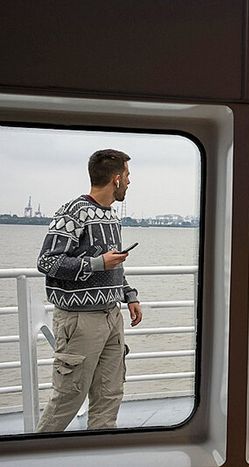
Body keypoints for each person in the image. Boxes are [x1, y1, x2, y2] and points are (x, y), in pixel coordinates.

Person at [36, 149, 143, 432]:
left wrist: (128, 294)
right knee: (68, 398)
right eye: (128, 176)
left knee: (109, 395)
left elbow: (111, 264)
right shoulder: (73, 212)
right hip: (80, 321)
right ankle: (32, 456)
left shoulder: (110, 216)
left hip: (111, 316)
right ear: (116, 179)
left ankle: (100, 455)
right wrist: (97, 263)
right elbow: (47, 261)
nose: (130, 182)